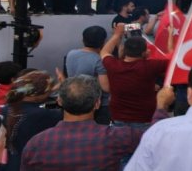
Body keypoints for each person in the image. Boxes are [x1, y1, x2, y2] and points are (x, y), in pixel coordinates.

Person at [21, 75, 173, 170]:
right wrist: (161, 106)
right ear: (97, 103)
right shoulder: (117, 137)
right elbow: (156, 139)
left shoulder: (36, 143)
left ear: (59, 101)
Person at [101, 24, 169, 128]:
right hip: (144, 118)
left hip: (118, 118)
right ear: (144, 52)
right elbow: (172, 60)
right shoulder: (151, 66)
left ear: (124, 50)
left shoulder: (113, 65)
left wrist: (117, 34)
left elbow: (104, 52)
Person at [1, 71, 62, 171]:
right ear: (37, 95)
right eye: (48, 90)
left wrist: (48, 91)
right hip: (31, 164)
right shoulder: (44, 115)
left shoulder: (6, 108)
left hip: (11, 162)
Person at [65, 25, 111, 125]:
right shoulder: (99, 60)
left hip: (75, 98)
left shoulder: (71, 54)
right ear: (103, 42)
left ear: (83, 39)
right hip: (97, 104)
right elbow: (106, 87)